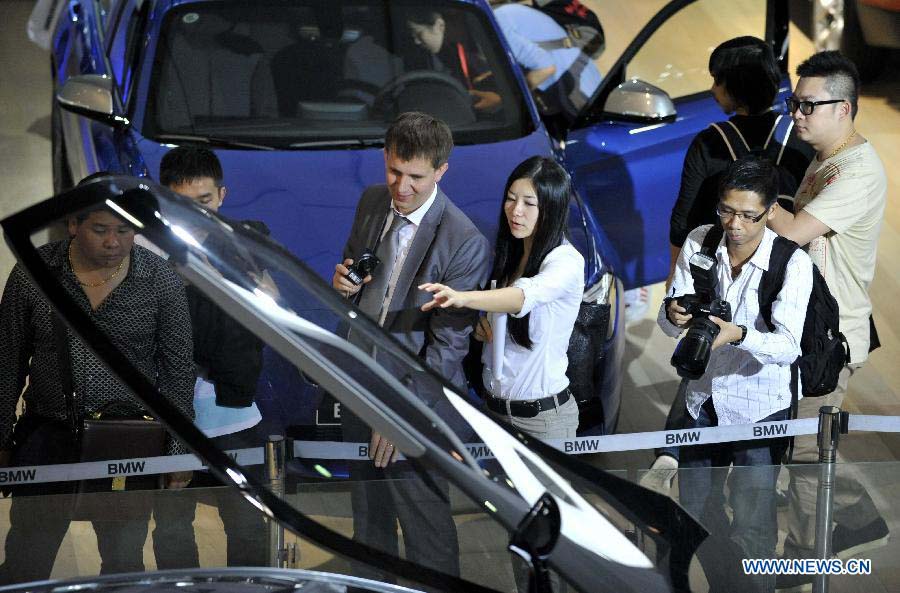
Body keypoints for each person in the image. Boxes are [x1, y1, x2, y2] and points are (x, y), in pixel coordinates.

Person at [0, 174, 195, 584]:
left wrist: (179, 451)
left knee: (124, 563)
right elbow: (7, 364)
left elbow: (178, 373)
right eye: (101, 229)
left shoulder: (160, 280)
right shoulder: (34, 274)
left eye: (124, 231)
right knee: (26, 559)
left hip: (127, 440)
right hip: (47, 436)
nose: (113, 243)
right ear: (73, 224)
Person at [644, 37, 814, 493]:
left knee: (706, 346)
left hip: (721, 262)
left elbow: (683, 216)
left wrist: (677, 278)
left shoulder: (711, 141)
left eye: (717, 79)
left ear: (731, 88)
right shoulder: (794, 142)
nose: (713, 87)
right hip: (786, 270)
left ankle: (672, 448)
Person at [331, 112, 491, 583]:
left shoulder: (464, 242)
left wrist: (401, 416)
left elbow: (446, 348)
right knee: (369, 528)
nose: (401, 187)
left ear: (441, 171)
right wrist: (344, 285)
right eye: (394, 171)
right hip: (360, 386)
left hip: (414, 404)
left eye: (416, 177)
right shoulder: (371, 201)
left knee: (426, 534)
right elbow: (357, 280)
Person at [659, 156, 813, 593]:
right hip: (702, 399)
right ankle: (727, 583)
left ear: (769, 212)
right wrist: (674, 314)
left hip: (758, 408)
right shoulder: (699, 243)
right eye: (727, 211)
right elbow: (668, 322)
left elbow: (788, 346)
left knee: (754, 523)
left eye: (749, 215)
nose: (736, 225)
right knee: (694, 510)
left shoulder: (791, 263)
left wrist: (740, 334)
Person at [766, 50, 888, 588]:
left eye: (808, 105)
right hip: (806, 328)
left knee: (806, 453)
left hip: (829, 339)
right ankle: (858, 517)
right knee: (807, 444)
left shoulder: (859, 171)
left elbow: (793, 233)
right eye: (794, 103)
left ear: (844, 108)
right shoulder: (825, 156)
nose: (797, 114)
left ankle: (805, 554)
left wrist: (752, 203)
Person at [150, 147, 270, 569]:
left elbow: (273, 304)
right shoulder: (145, 250)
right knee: (171, 529)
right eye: (180, 204)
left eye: (202, 203)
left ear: (221, 195)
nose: (192, 214)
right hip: (168, 417)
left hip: (235, 418)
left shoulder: (246, 242)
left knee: (249, 528)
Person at [419, 155, 583, 441]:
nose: (515, 211)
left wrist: (463, 298)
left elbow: (522, 297)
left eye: (529, 203)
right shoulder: (511, 253)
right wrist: (483, 328)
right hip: (493, 413)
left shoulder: (566, 261)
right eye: (510, 199)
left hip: (542, 422)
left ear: (552, 208)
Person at [490, 1, 602, 130]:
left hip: (574, 89)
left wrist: (503, 98)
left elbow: (546, 67)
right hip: (581, 79)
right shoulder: (508, 12)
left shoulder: (499, 21)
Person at [405, 9, 502, 112]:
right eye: (413, 36)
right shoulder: (423, 59)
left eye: (419, 33)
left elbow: (494, 96)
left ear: (439, 26)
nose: (416, 41)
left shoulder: (469, 57)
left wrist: (499, 101)